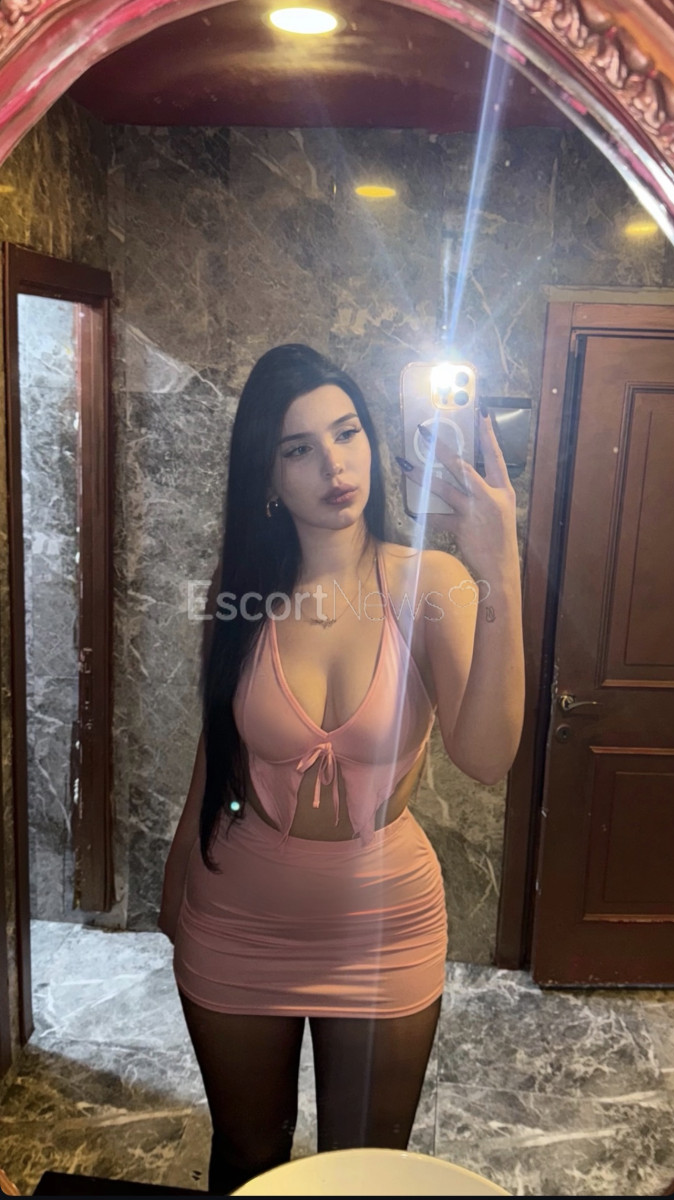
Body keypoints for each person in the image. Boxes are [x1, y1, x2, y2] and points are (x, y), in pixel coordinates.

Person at [158, 344, 525, 1195]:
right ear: (267, 476)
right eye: (299, 448)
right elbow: (216, 751)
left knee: (363, 1178)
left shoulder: (429, 582)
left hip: (383, 926)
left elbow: (484, 758)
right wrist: (177, 882)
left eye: (348, 432)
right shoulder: (237, 591)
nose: (335, 465)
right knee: (246, 1160)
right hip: (236, 917)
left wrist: (499, 568)